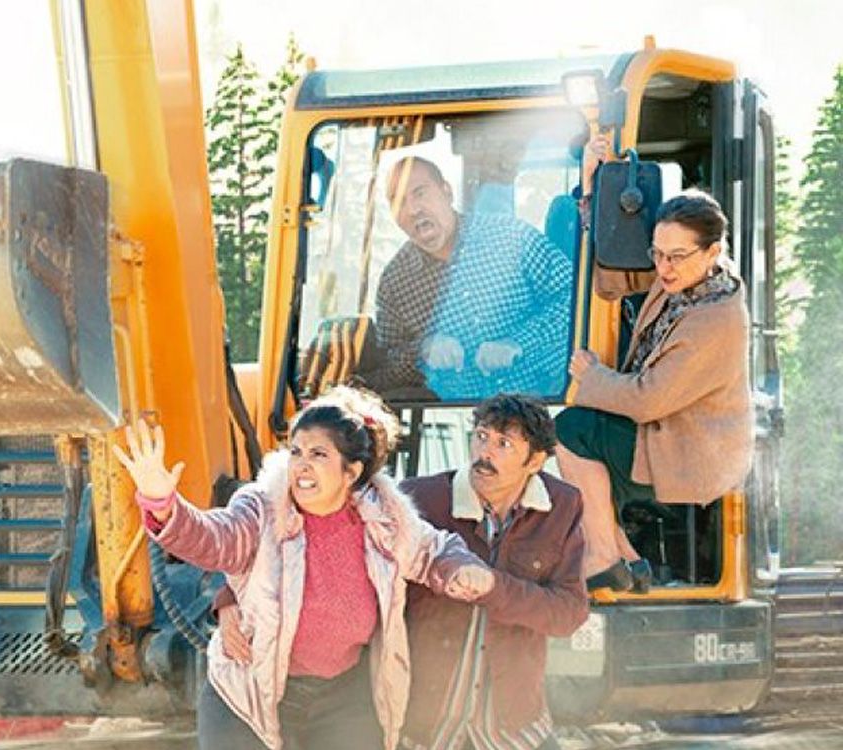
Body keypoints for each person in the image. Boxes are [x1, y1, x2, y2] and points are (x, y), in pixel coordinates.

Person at [112, 386, 492, 750]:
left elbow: (432, 551)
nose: (302, 466)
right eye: (296, 452)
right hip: (250, 692)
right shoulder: (261, 508)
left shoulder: (386, 519)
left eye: (319, 455)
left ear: (352, 472)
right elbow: (216, 540)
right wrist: (164, 505)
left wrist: (460, 569)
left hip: (342, 697)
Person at [218, 394, 588, 750]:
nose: (484, 453)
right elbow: (309, 532)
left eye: (504, 444)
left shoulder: (562, 507)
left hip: (510, 723)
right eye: (481, 437)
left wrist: (494, 587)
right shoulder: (417, 500)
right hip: (425, 722)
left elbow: (569, 613)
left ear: (536, 460)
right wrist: (230, 597)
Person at [554, 190, 752, 591]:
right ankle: (626, 559)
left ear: (712, 251)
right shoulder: (686, 279)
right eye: (657, 253)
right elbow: (614, 280)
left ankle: (605, 554)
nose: (663, 266)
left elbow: (647, 401)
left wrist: (592, 378)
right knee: (587, 464)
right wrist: (592, 199)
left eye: (675, 256)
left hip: (691, 453)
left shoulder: (716, 319)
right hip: (667, 434)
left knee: (571, 430)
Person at [358, 156, 574, 400]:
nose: (412, 210)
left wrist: (518, 344)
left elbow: (574, 301)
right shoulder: (394, 283)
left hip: (545, 408)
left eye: (419, 193)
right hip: (462, 422)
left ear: (446, 192)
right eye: (398, 202)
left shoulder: (511, 237)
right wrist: (423, 351)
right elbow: (386, 368)